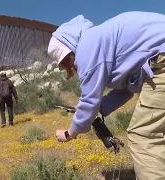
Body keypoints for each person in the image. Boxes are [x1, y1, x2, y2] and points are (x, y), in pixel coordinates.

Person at [47, 11, 165, 180]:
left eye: (65, 61)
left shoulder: (88, 46)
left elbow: (89, 101)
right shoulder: (102, 39)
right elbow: (126, 90)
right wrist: (100, 108)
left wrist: (69, 133)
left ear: (69, 51)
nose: (69, 66)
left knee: (144, 135)